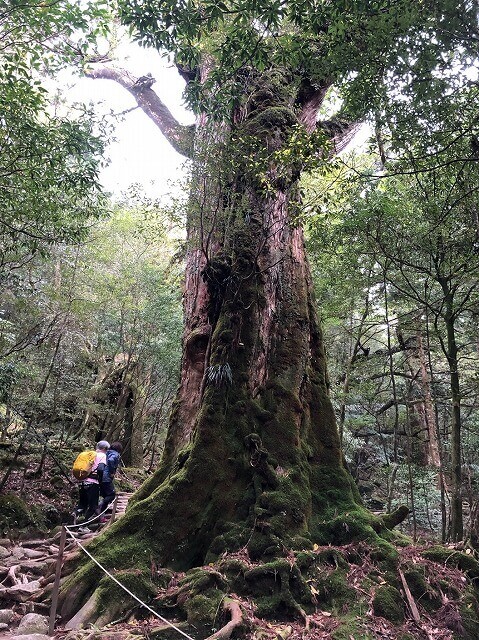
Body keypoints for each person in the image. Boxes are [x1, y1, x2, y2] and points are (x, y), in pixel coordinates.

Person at [76, 440, 109, 526]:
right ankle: (83, 526)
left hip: (82, 482)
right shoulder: (102, 455)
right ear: (105, 448)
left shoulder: (90, 455)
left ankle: (75, 516)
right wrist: (100, 480)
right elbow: (101, 469)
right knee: (93, 506)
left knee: (82, 504)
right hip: (93, 483)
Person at [97, 441, 123, 521]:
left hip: (99, 476)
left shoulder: (106, 452)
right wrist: (112, 472)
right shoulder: (115, 454)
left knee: (105, 496)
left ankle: (102, 517)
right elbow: (111, 461)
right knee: (111, 495)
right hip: (106, 477)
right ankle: (99, 505)